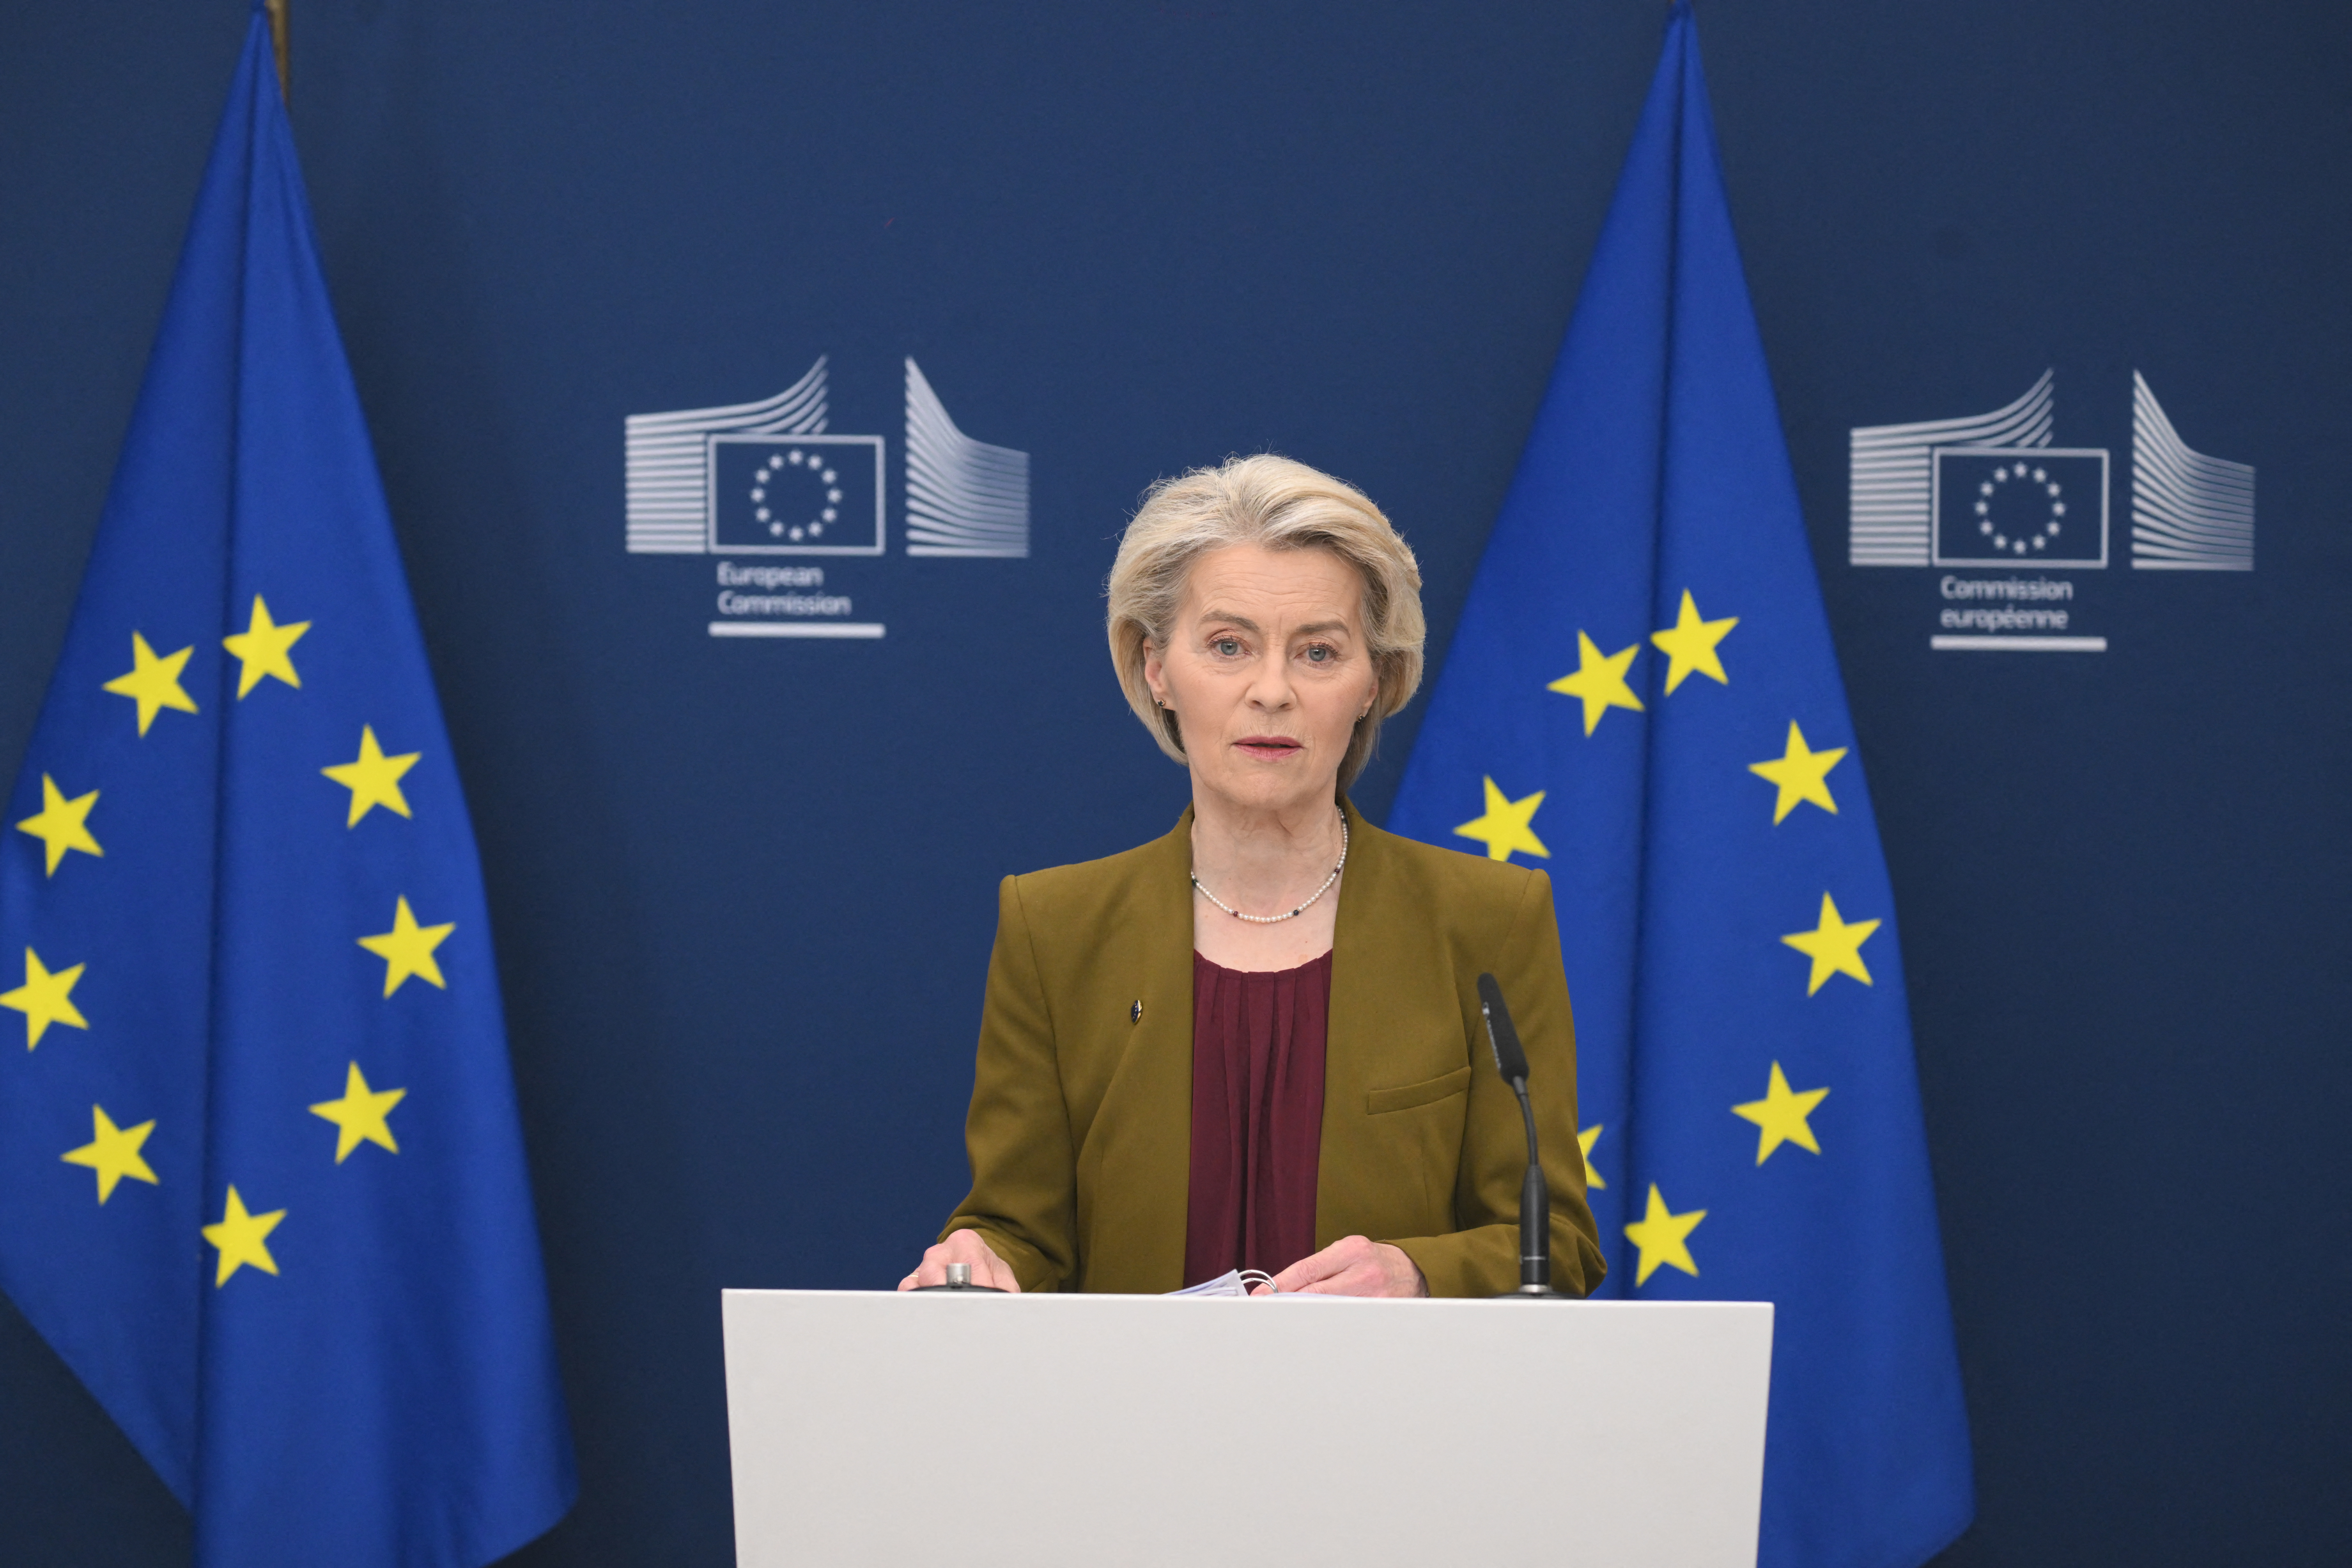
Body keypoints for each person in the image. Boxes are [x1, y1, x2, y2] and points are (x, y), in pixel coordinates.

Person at [900, 455, 1602, 1298]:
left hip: (1388, 1420)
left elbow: (1556, 1246)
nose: (1271, 691)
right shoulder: (1055, 928)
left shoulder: (1489, 920)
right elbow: (1018, 1227)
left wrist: (1417, 1275)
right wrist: (979, 1259)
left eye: (1317, 652)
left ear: (1372, 682)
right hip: (1129, 1422)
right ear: (1158, 668)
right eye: (1228, 646)